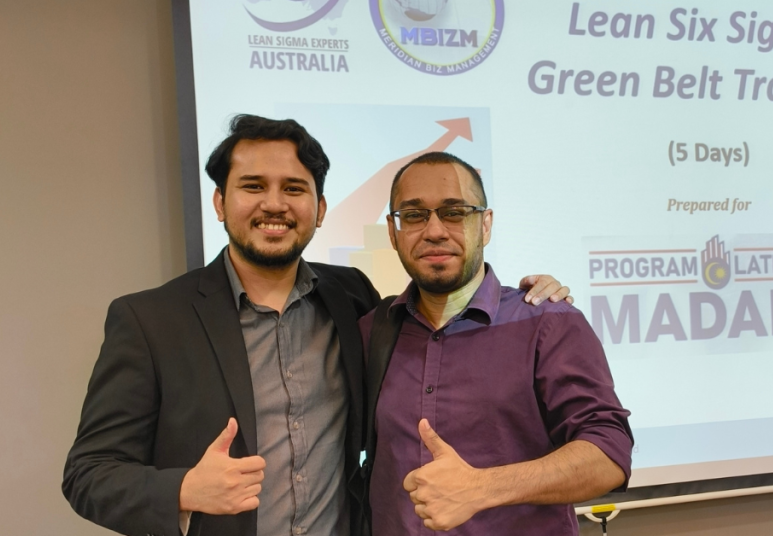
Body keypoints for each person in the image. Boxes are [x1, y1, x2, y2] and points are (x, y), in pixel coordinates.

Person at [62, 115, 569, 536]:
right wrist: (183, 491)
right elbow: (89, 474)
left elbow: (443, 314)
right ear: (220, 203)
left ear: (320, 209)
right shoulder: (150, 320)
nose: (275, 204)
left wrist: (531, 294)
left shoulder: (353, 299)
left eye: (295, 188)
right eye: (253, 186)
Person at [360, 151, 633, 535]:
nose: (435, 230)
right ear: (393, 231)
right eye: (415, 215)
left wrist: (482, 487)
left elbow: (609, 453)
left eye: (455, 212)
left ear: (485, 225)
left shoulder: (546, 321)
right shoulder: (374, 330)